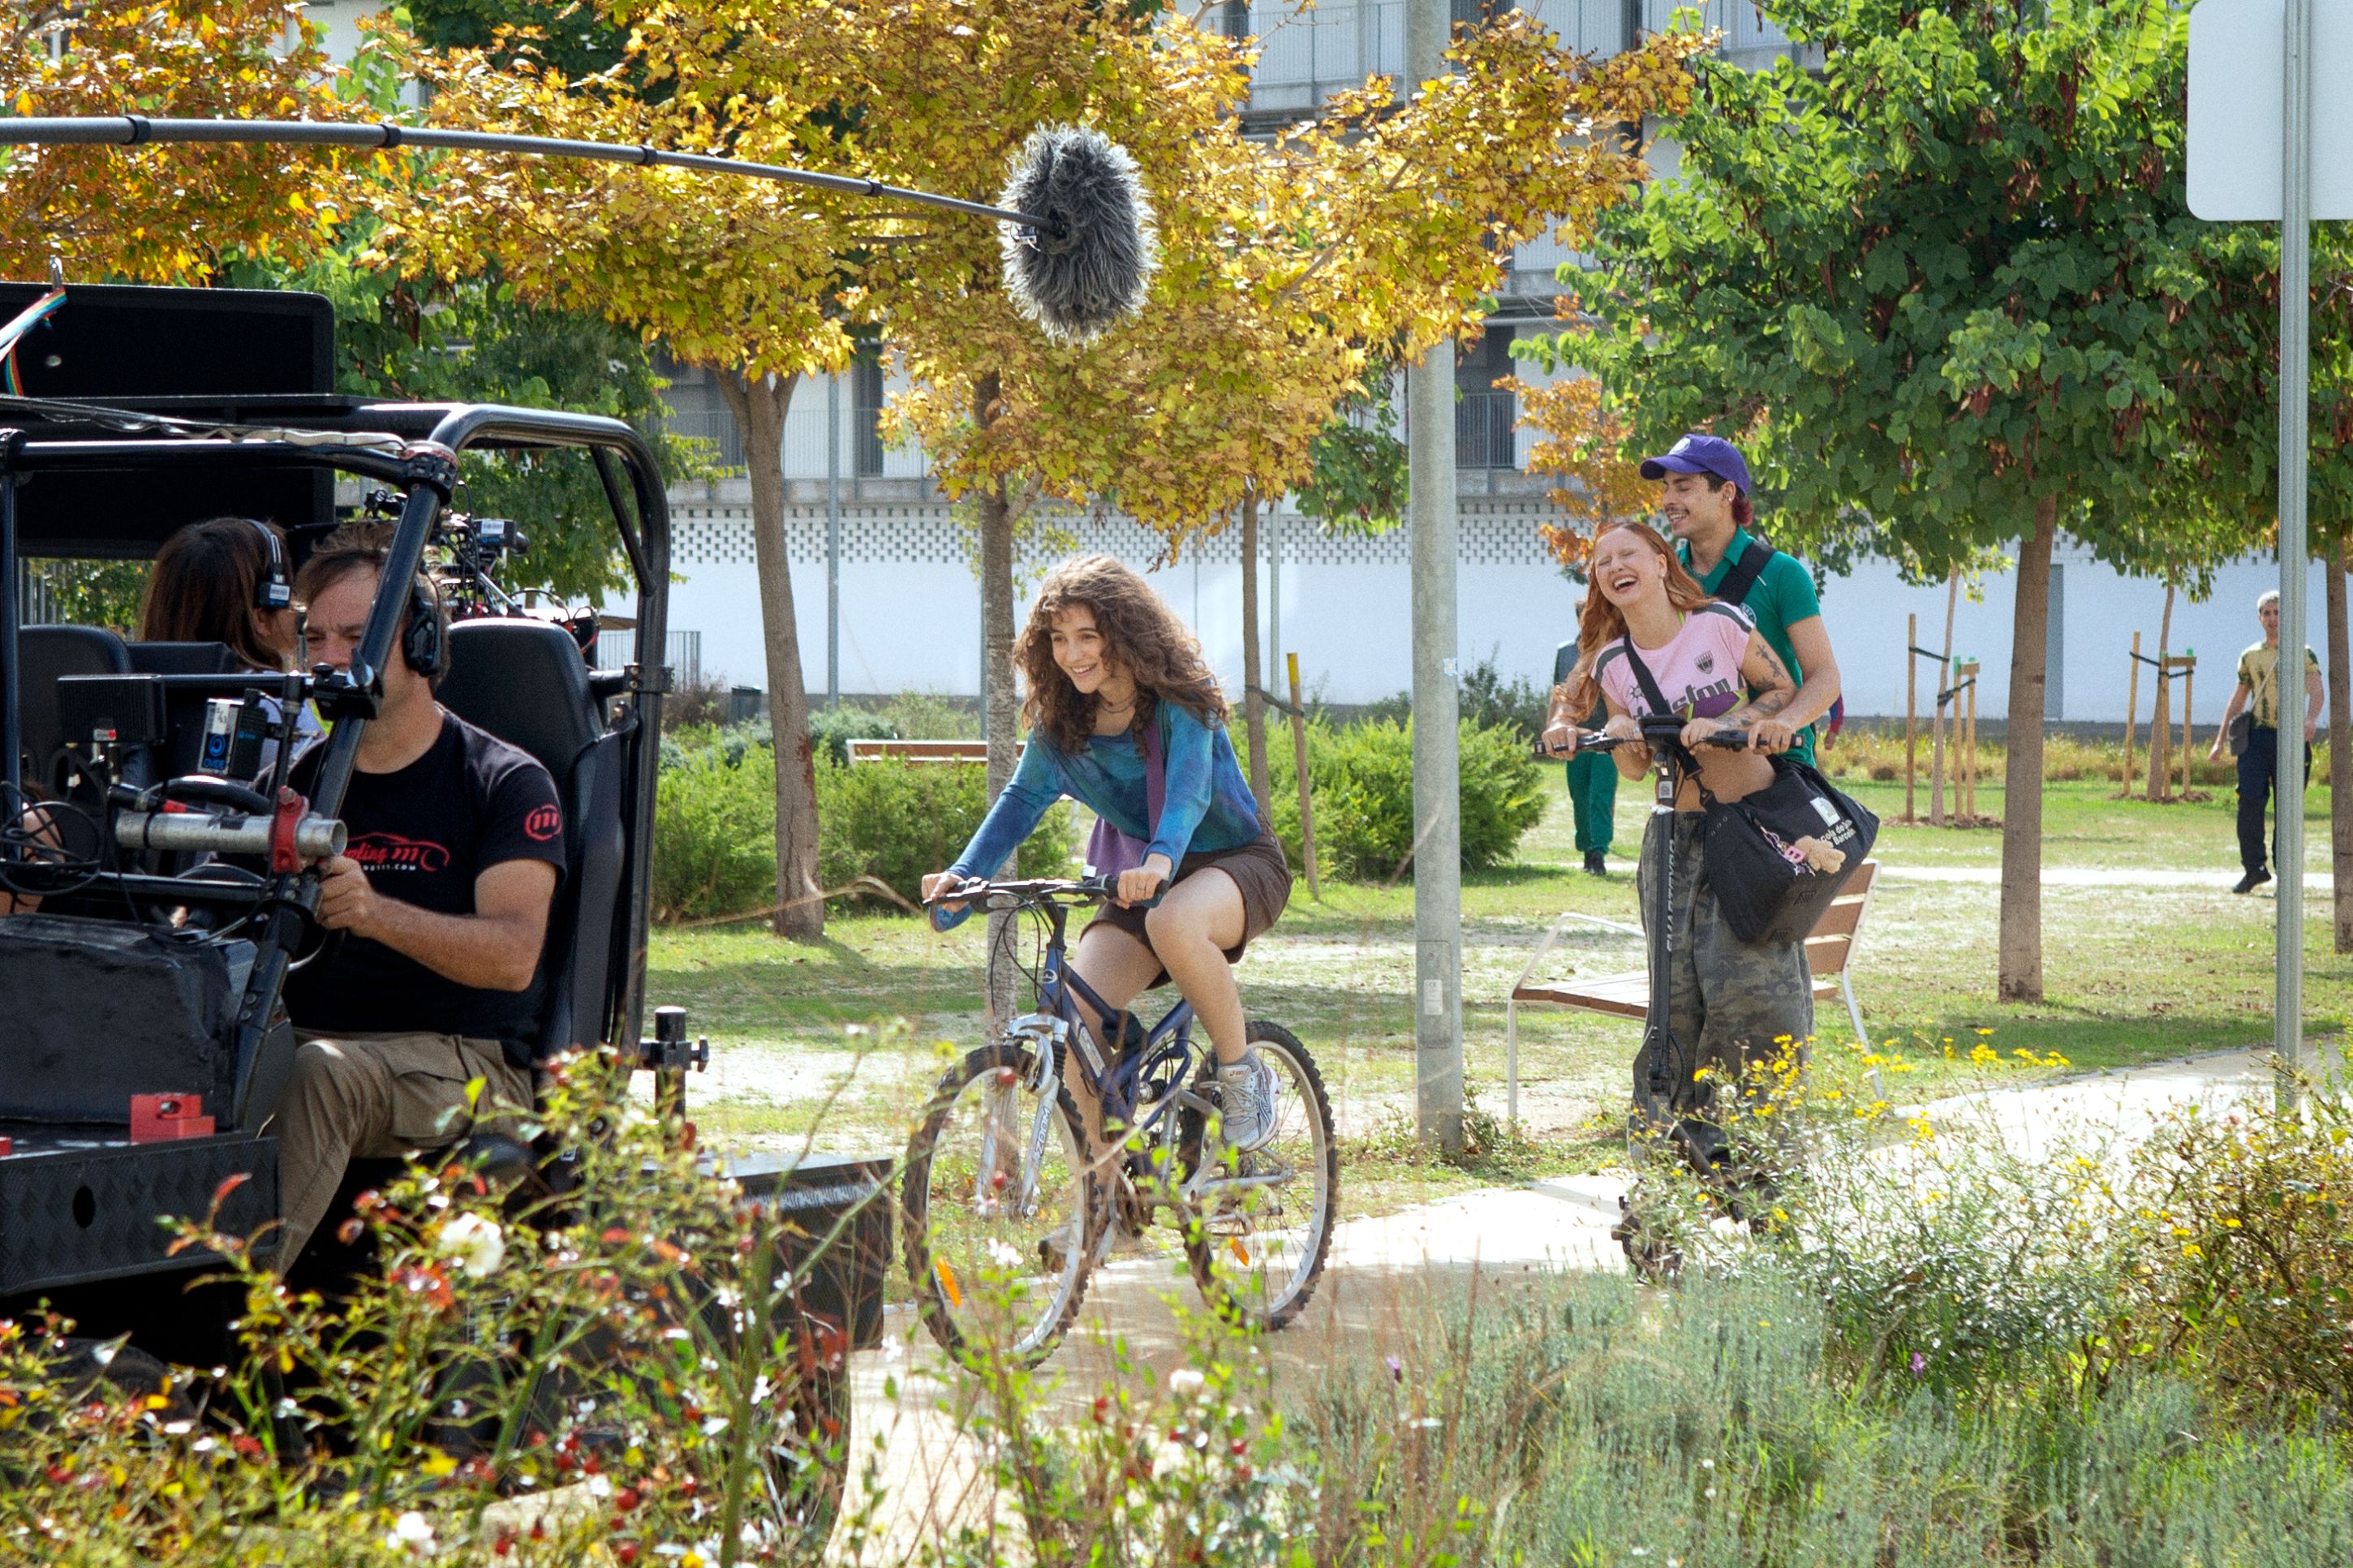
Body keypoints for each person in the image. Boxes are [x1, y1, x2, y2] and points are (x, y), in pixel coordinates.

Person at [267, 527, 567, 1268]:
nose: (330, 658)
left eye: (354, 637)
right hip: (319, 1045)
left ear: (422, 644)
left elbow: (512, 956)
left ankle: (233, 1320)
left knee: (319, 1074)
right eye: (315, 639)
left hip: (470, 1066)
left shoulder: (504, 781)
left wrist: (375, 913)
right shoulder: (301, 782)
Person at [922, 555, 1293, 1155]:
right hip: (1140, 880)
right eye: (1058, 639)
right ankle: (1103, 1195)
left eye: (1087, 636)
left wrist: (1160, 860)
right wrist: (965, 876)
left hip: (1233, 861)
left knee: (1173, 921)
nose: (1072, 654)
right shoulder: (1063, 725)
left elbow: (1189, 791)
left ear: (1124, 632)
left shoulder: (1180, 698)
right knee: (1076, 1020)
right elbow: (1020, 800)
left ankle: (1242, 1073)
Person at [1541, 518, 1808, 1128]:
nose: (1614, 566)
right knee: (1673, 1005)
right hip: (1674, 840)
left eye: (1628, 553)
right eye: (1603, 562)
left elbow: (1781, 688)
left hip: (1750, 831)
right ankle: (1671, 1152)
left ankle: (1759, 1152)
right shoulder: (1614, 662)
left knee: (1753, 998)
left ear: (1662, 562)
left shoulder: (1719, 623)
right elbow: (1635, 769)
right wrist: (1619, 733)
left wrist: (1729, 723)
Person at [1644, 435, 1839, 762]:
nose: (1667, 500)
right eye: (1666, 488)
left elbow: (1824, 675)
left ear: (1726, 493)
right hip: (1692, 767)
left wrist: (1785, 722)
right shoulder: (1662, 578)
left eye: (1683, 487)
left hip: (1777, 765)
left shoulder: (1781, 573)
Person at [2209, 588, 2325, 896]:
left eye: (2277, 612)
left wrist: (2311, 718)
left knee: (2288, 809)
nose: (2273, 619)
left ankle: (2287, 877)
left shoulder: (2303, 652)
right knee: (2249, 802)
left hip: (2291, 738)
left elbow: (2316, 689)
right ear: (2259, 618)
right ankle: (2254, 869)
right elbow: (2238, 700)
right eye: (2267, 613)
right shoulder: (2250, 656)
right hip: (2257, 739)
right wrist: (2220, 740)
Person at [1555, 617, 1615, 875]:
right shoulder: (1565, 652)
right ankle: (1585, 848)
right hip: (1575, 740)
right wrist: (1553, 727)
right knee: (1579, 795)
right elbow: (1557, 694)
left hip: (1605, 738)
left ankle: (1598, 852)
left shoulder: (1611, 649)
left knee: (1601, 796)